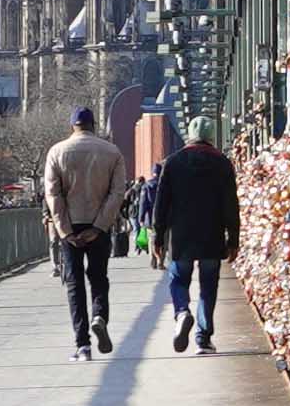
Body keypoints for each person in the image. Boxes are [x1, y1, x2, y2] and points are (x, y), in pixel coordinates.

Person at [39, 105, 131, 358]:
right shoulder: (112, 152)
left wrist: (65, 231)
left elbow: (52, 194)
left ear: (73, 126)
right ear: (93, 126)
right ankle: (99, 315)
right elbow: (117, 193)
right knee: (99, 278)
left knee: (74, 284)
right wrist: (100, 226)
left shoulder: (56, 152)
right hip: (98, 226)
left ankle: (83, 344)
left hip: (70, 226)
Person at [148, 121, 242, 353]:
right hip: (212, 234)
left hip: (181, 235)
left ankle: (182, 312)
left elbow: (161, 203)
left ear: (189, 136)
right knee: (208, 286)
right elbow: (231, 205)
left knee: (178, 279)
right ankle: (203, 337)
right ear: (211, 136)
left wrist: (158, 236)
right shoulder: (222, 163)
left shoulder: (173, 163)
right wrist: (234, 239)